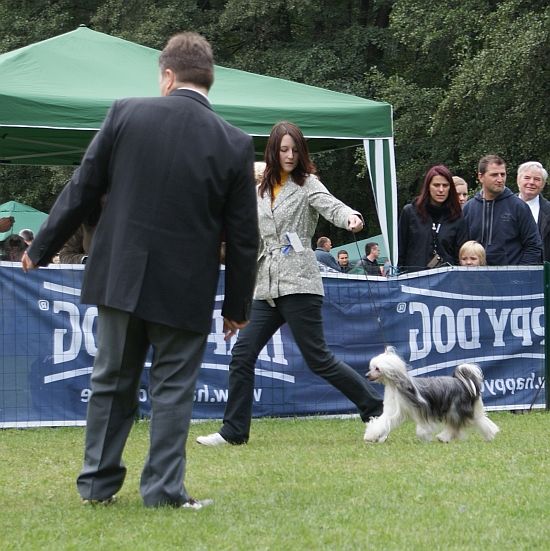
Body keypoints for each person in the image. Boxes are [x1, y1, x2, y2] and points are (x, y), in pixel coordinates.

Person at [21, 32, 259, 509]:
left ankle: (97, 486)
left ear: (167, 76)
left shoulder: (125, 113)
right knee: (173, 390)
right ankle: (164, 492)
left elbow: (83, 187)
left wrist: (41, 247)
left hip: (119, 278)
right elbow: (243, 236)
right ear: (209, 79)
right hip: (185, 289)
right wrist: (237, 307)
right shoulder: (235, 143)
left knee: (110, 382)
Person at [196, 121, 383, 447]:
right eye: (283, 149)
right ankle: (233, 432)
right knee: (242, 355)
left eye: (295, 150)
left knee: (318, 359)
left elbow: (333, 206)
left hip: (299, 283)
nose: (289, 155)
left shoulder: (308, 184)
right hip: (266, 286)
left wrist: (351, 217)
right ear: (273, 151)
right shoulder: (259, 190)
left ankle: (375, 408)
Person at [463, 155, 542, 265]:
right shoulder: (468, 208)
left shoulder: (518, 207)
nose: (500, 179)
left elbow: (533, 246)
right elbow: (460, 246)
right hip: (475, 274)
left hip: (511, 273)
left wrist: (520, 273)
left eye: (503, 174)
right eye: (494, 175)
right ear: (481, 177)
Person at [398, 164, 467, 272]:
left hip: (446, 278)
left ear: (450, 188)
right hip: (414, 278)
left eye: (445, 185)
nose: (441, 190)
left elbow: (461, 256)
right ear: (428, 187)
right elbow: (400, 251)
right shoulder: (410, 212)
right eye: (436, 185)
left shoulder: (457, 217)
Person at [516, 161, 550, 261]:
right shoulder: (504, 206)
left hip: (543, 267)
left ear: (543, 184)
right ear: (518, 180)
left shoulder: (548, 210)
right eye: (527, 178)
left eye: (537, 179)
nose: (531, 182)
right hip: (510, 267)